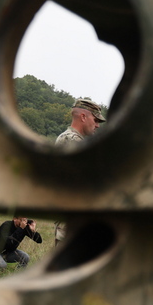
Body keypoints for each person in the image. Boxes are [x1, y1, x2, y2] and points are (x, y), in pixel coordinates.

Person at [54, 98, 106, 243]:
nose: (97, 125)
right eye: (95, 120)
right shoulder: (71, 140)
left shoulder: (76, 141)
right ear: (83, 117)